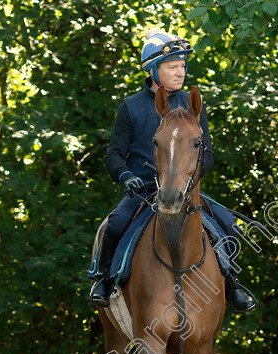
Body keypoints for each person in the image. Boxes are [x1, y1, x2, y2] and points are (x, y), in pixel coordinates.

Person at [90, 29, 257, 313]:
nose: (180, 73)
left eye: (182, 66)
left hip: (184, 189)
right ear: (154, 70)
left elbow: (209, 154)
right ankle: (103, 280)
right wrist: (126, 176)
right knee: (116, 225)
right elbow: (114, 154)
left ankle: (231, 284)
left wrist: (189, 179)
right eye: (172, 67)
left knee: (228, 224)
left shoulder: (193, 105)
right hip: (143, 189)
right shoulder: (130, 107)